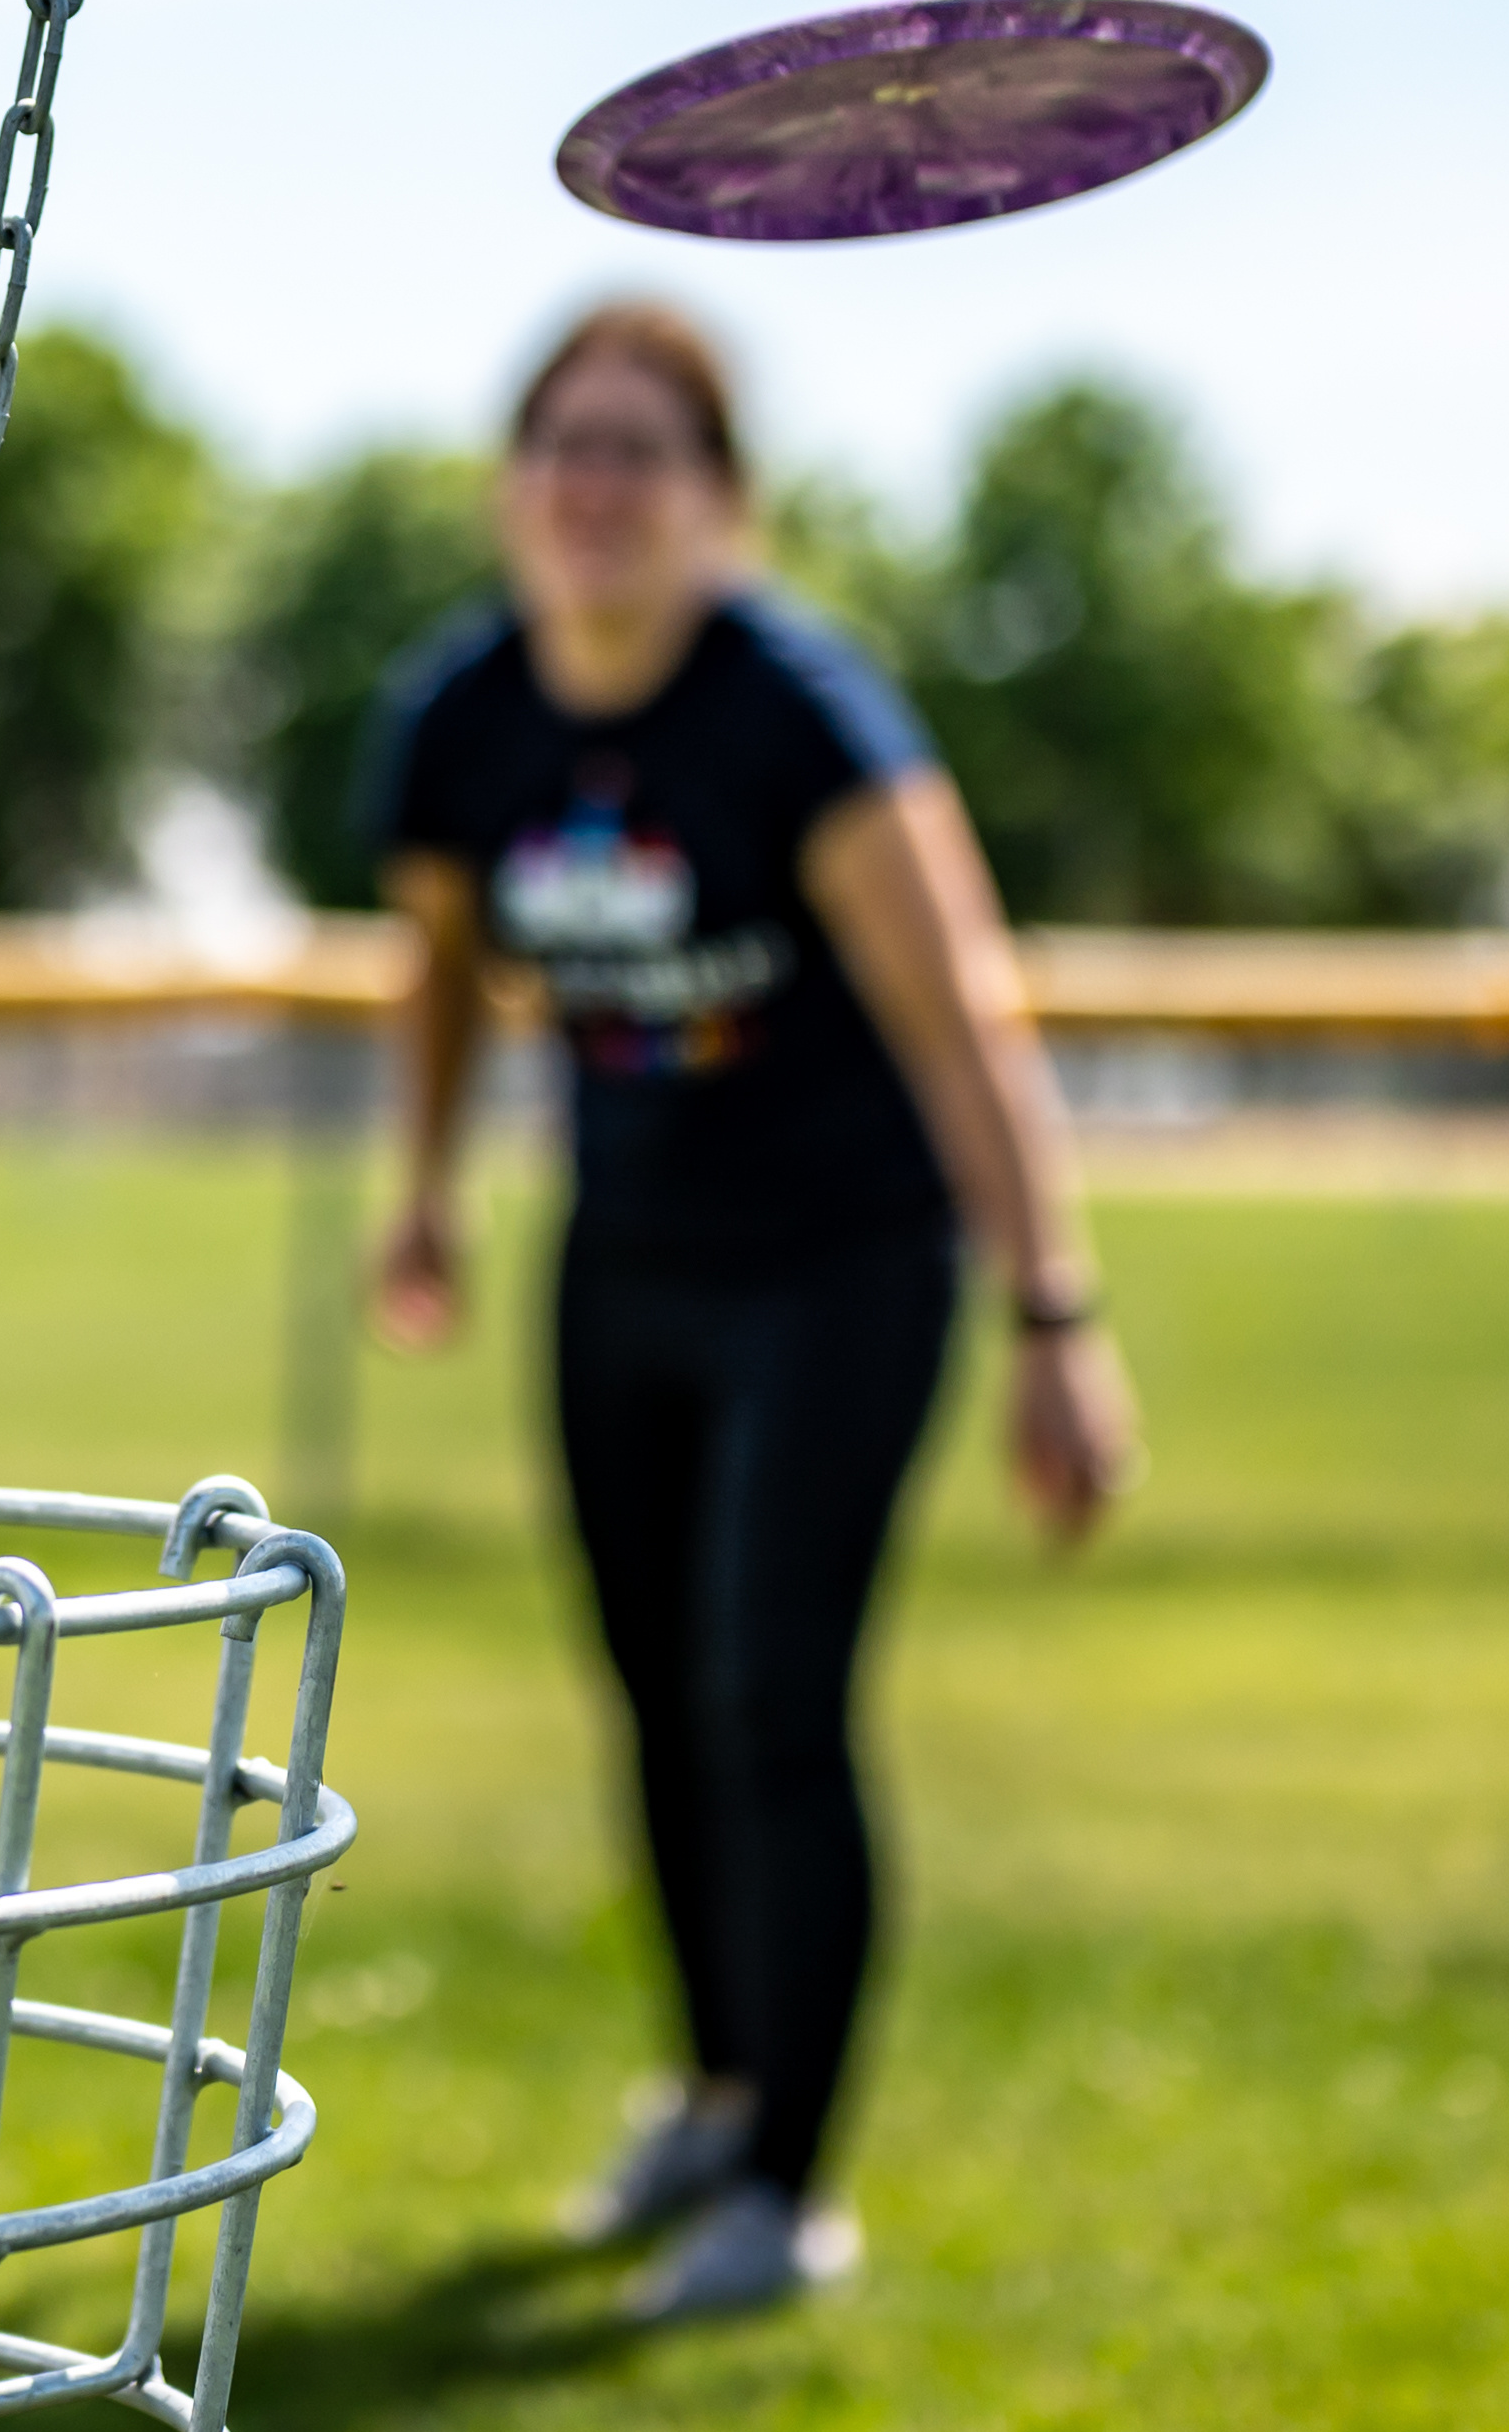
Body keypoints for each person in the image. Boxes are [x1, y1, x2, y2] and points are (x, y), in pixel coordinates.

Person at [370, 297, 1137, 2324]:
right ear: (509, 486)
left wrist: (1055, 1318)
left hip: (844, 1263)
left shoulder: (797, 713)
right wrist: (428, 1189)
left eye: (644, 449)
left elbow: (964, 1022)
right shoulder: (465, 717)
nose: (595, 485)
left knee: (769, 1700)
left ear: (723, 500)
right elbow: (442, 957)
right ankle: (714, 2094)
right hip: (620, 1260)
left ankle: (788, 2190)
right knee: (648, 1696)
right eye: (563, 444)